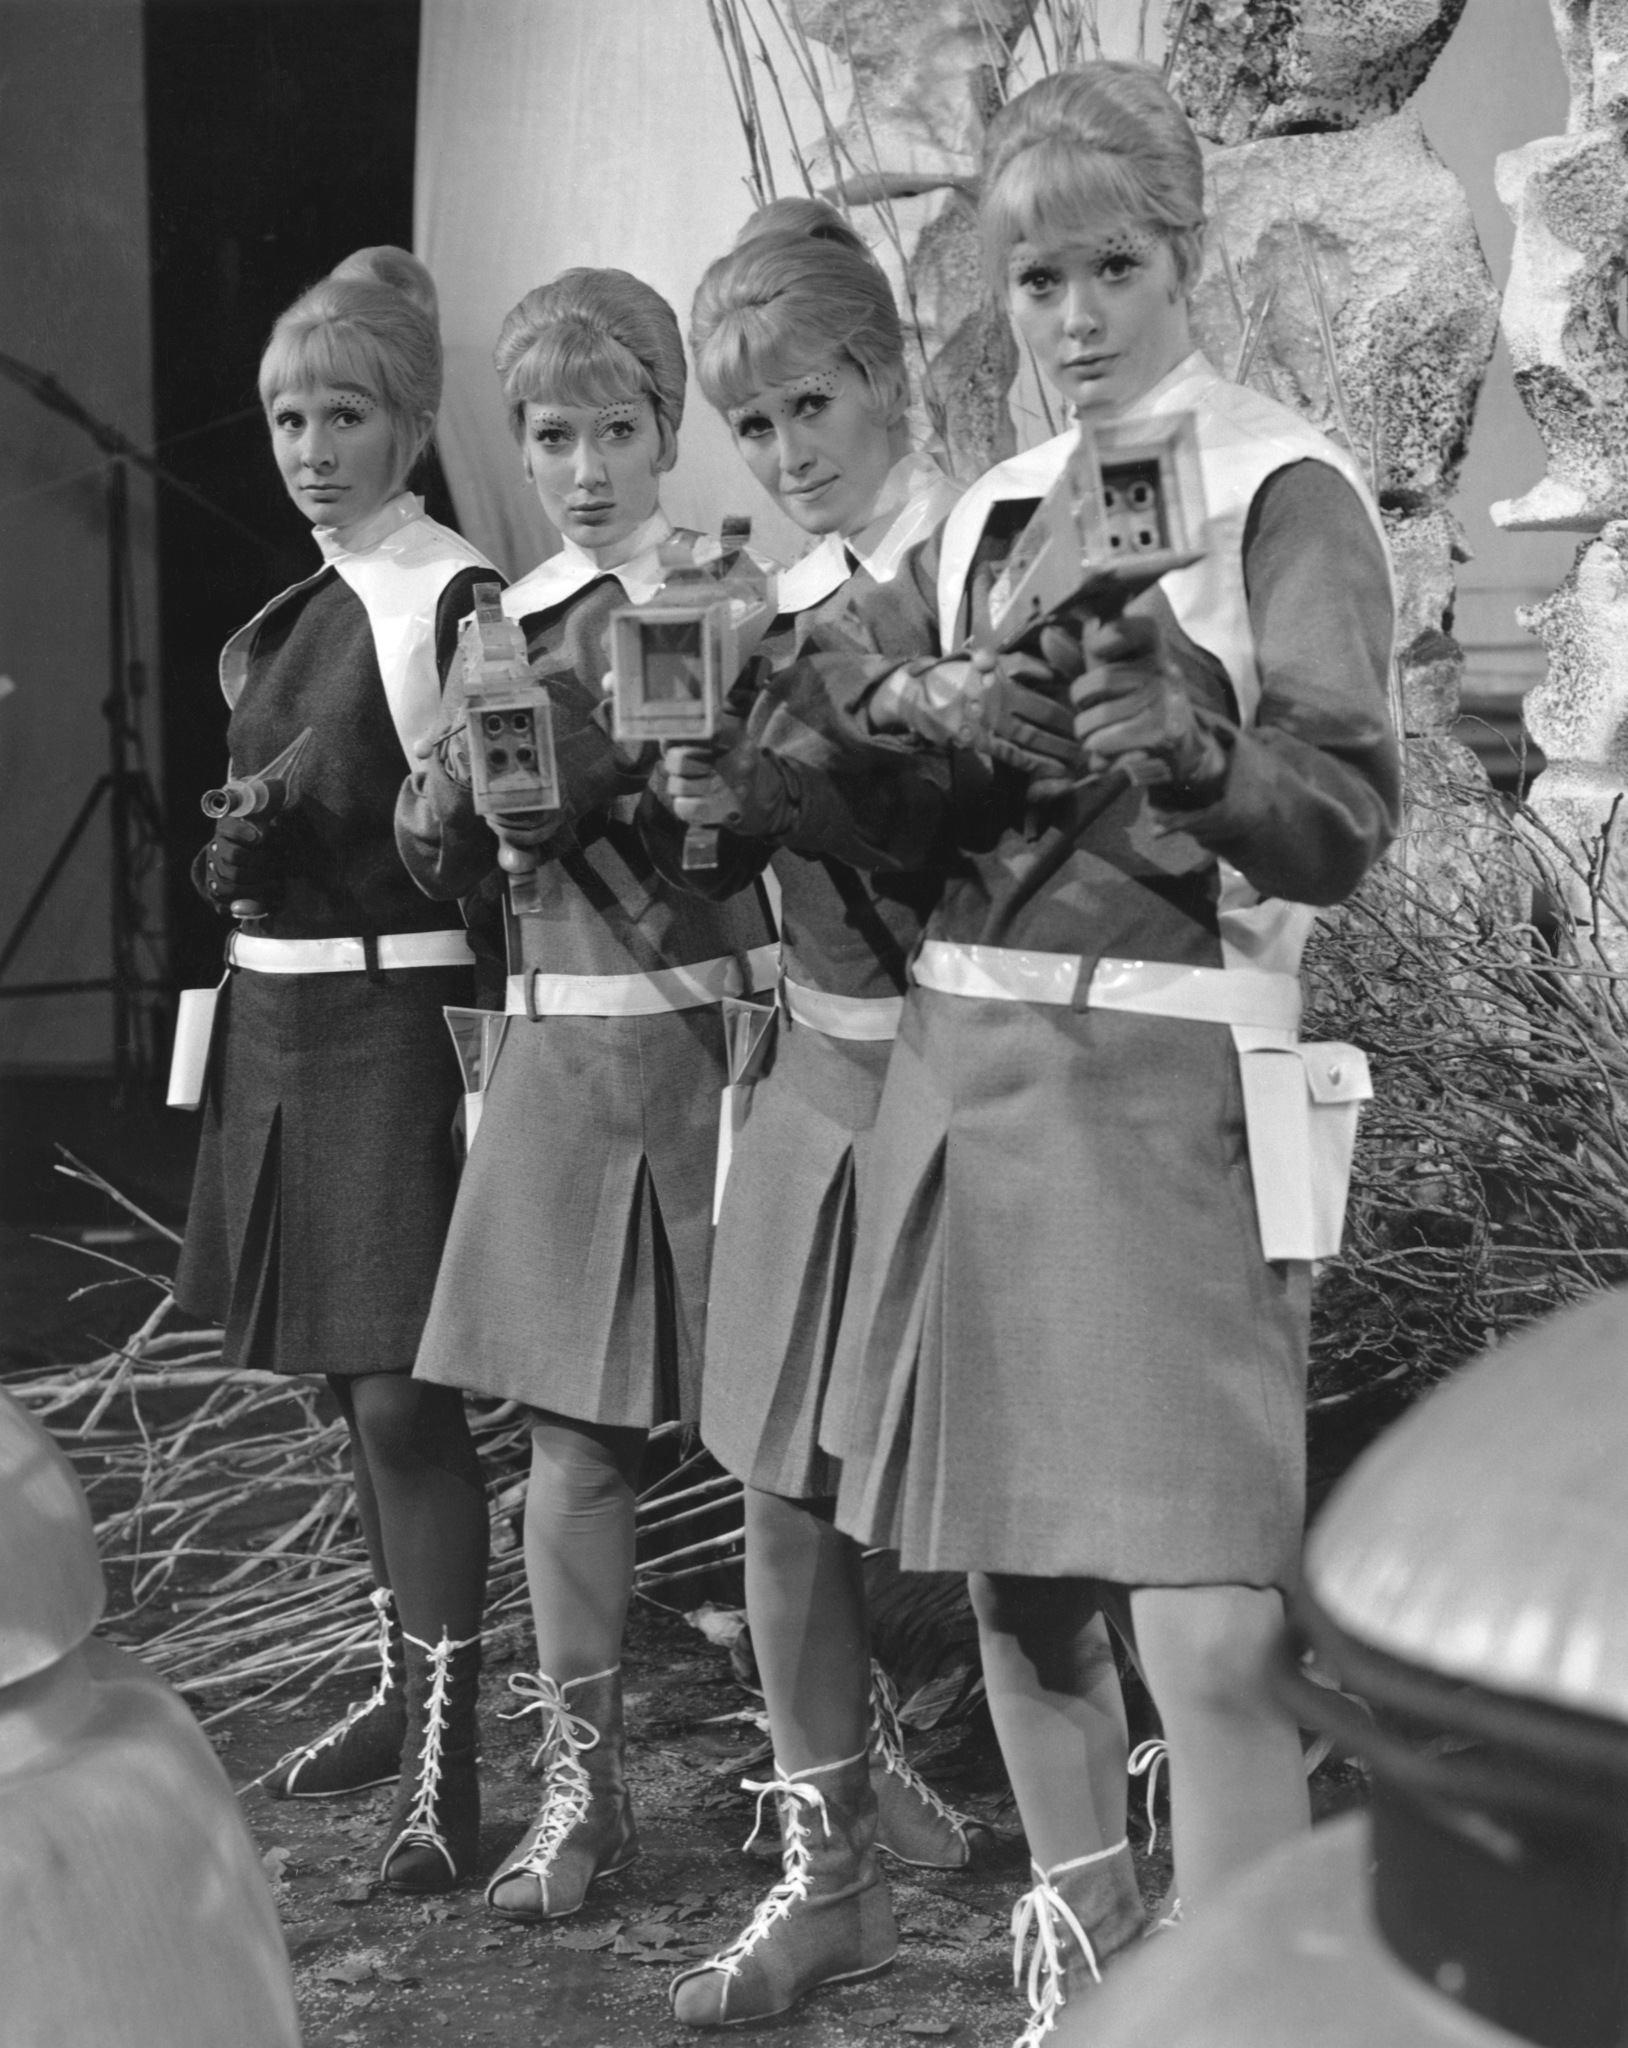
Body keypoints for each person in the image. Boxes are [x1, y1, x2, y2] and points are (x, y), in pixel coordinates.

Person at [771, 63, 1396, 2046]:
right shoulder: (981, 510)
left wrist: (1197, 746)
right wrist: (907, 722)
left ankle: (1236, 2006)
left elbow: (1341, 814)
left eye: (1111, 266)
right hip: (976, 1090)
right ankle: (1091, 1975)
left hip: (1175, 1101)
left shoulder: (1281, 480)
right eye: (1035, 281)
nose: (1075, 319)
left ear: (1183, 253)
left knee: (1210, 1631)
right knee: (1023, 1586)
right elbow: (846, 763)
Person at [637, 198, 985, 2028]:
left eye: (808, 411)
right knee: (776, 1489)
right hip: (812, 1078)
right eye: (753, 427)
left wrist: (789, 773)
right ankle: (827, 1875)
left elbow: (956, 835)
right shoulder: (760, 607)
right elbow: (726, 866)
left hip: (964, 1080)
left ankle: (1113, 1884)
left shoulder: (967, 570)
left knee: (1009, 1521)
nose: (782, 455)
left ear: (890, 375)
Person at [395, 268, 777, 1918]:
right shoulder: (505, 622)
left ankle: (845, 1756)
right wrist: (463, 805)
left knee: (783, 1441)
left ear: (669, 431)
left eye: (618, 429)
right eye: (554, 434)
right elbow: (439, 859)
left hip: (719, 1051)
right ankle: (583, 1788)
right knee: (576, 1444)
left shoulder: (740, 600)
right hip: (558, 1056)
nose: (587, 467)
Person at [172, 247, 496, 1893]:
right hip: (277, 1018)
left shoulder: (449, 599)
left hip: (390, 1029)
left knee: (404, 1397)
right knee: (336, 1390)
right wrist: (236, 866)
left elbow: (490, 848)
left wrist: (405, 840)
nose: (312, 447)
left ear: (414, 423)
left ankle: (455, 1757)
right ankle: (394, 1685)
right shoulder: (288, 607)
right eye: (289, 416)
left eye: (347, 415)